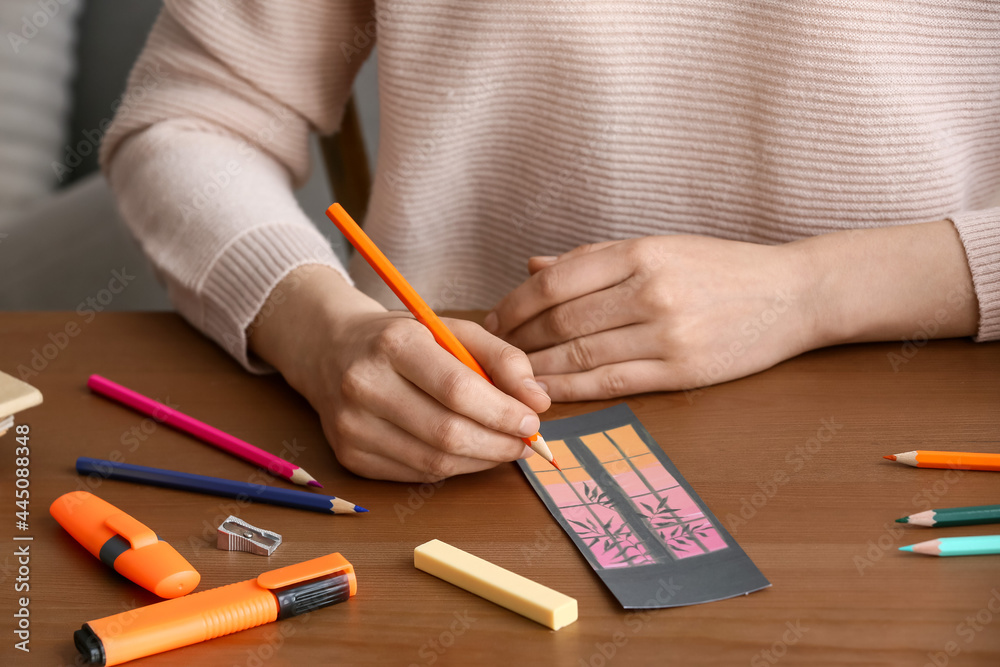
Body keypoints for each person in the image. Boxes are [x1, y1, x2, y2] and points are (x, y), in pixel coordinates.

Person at [101, 2, 999, 482]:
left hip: (912, 448)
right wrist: (319, 330)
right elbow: (188, 119)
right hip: (448, 438)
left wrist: (810, 292)